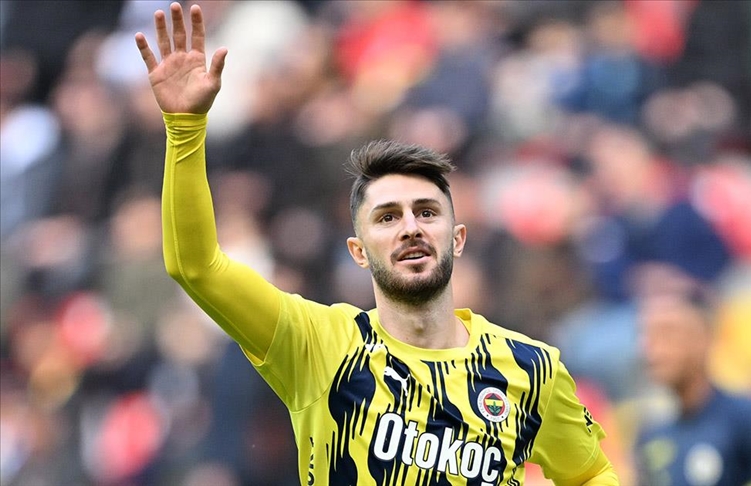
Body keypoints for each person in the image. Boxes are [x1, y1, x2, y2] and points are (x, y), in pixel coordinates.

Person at [135, 3, 618, 485]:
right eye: (387, 217)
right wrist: (185, 130)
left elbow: (591, 472)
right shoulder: (318, 346)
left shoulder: (532, 371)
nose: (410, 227)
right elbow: (197, 267)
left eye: (427, 212)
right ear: (358, 251)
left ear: (458, 239)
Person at [634, 284, 751, 486]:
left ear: (705, 338)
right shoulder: (651, 434)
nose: (651, 351)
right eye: (646, 336)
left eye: (668, 333)